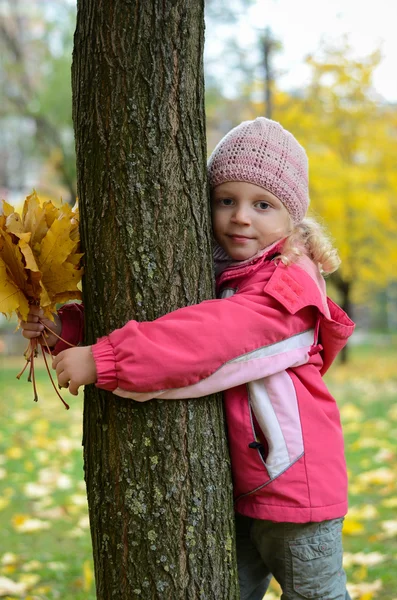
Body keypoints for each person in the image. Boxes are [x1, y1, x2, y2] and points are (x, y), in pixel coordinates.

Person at [22, 117, 354, 600]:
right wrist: (65, 331)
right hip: (242, 489)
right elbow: (159, 316)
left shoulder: (288, 288)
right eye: (226, 200)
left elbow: (210, 338)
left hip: (295, 490)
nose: (241, 216)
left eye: (263, 205)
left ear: (292, 219)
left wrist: (108, 359)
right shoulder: (223, 272)